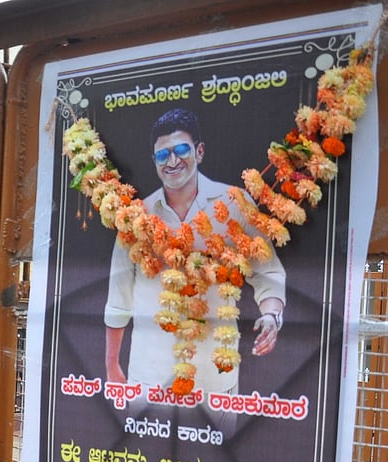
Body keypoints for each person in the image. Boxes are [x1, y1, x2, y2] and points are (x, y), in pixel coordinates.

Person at [104, 108, 286, 394]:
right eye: (163, 155)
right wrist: (111, 365)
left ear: (199, 152)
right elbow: (119, 294)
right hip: (148, 374)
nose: (172, 161)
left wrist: (272, 315)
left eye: (181, 150)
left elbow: (268, 271)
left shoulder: (234, 203)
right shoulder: (137, 217)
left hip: (215, 378)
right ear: (154, 161)